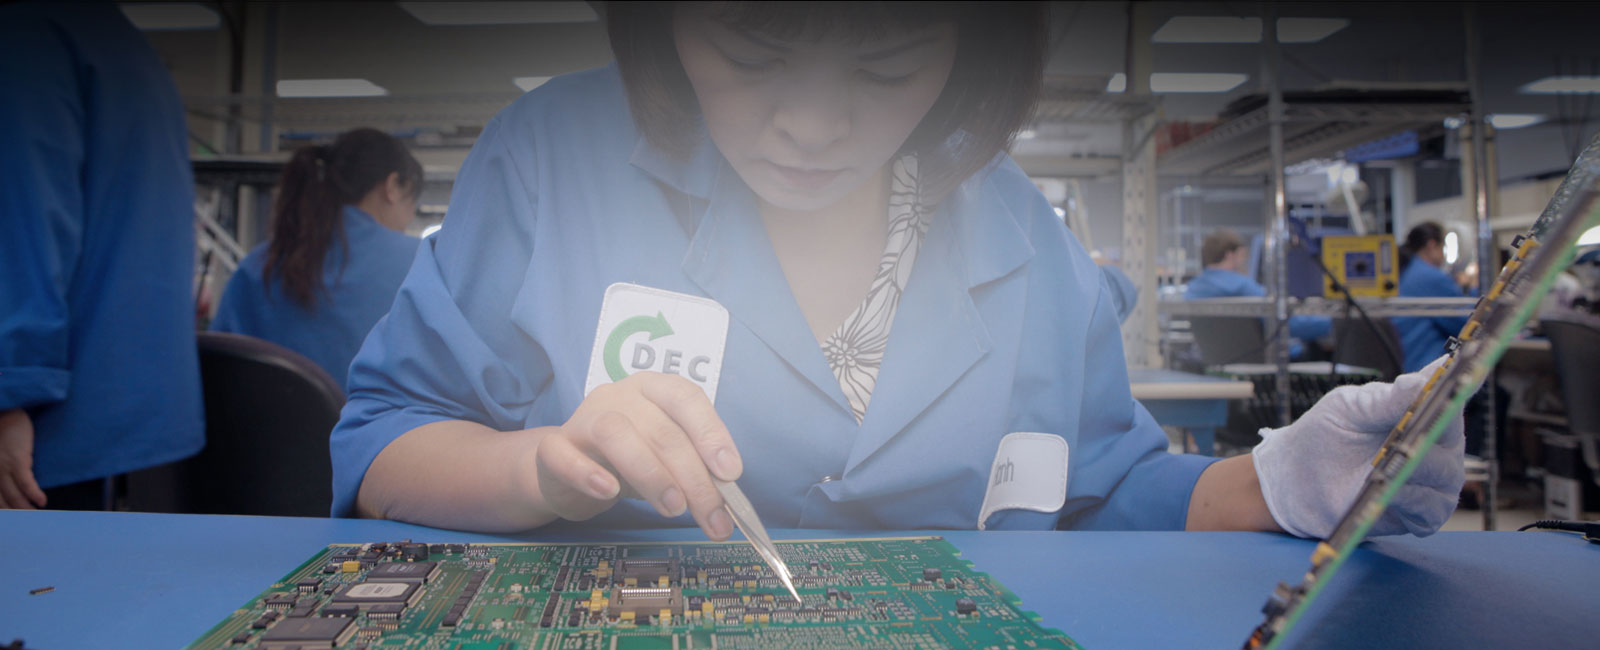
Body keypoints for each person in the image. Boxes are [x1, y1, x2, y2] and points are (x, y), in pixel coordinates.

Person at [331, 2, 1465, 542]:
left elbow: (1098, 487)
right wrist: (541, 465)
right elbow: (384, 441)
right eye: (751, 49)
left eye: (886, 66)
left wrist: (1277, 485)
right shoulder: (552, 159)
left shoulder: (1017, 226)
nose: (813, 125)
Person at [0, 1, 203, 510]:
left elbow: (22, 221)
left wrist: (8, 392)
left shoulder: (23, 32)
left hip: (43, 431)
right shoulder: (115, 37)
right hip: (136, 420)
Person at [209, 129, 423, 391]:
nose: (407, 221)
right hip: (381, 419)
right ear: (392, 187)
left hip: (270, 417)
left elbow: (219, 366)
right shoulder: (421, 263)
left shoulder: (259, 265)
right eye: (411, 205)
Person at [1184, 229, 1331, 359]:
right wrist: (1331, 323)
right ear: (1230, 255)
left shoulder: (1193, 289)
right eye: (1243, 256)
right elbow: (1286, 323)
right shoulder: (1241, 286)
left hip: (1218, 363)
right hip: (1263, 362)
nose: (1244, 262)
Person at [1393, 222, 1470, 374]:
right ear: (1432, 245)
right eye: (1443, 247)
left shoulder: (1407, 271)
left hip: (1408, 363)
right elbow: (1464, 323)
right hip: (1426, 366)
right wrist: (1472, 288)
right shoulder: (1430, 276)